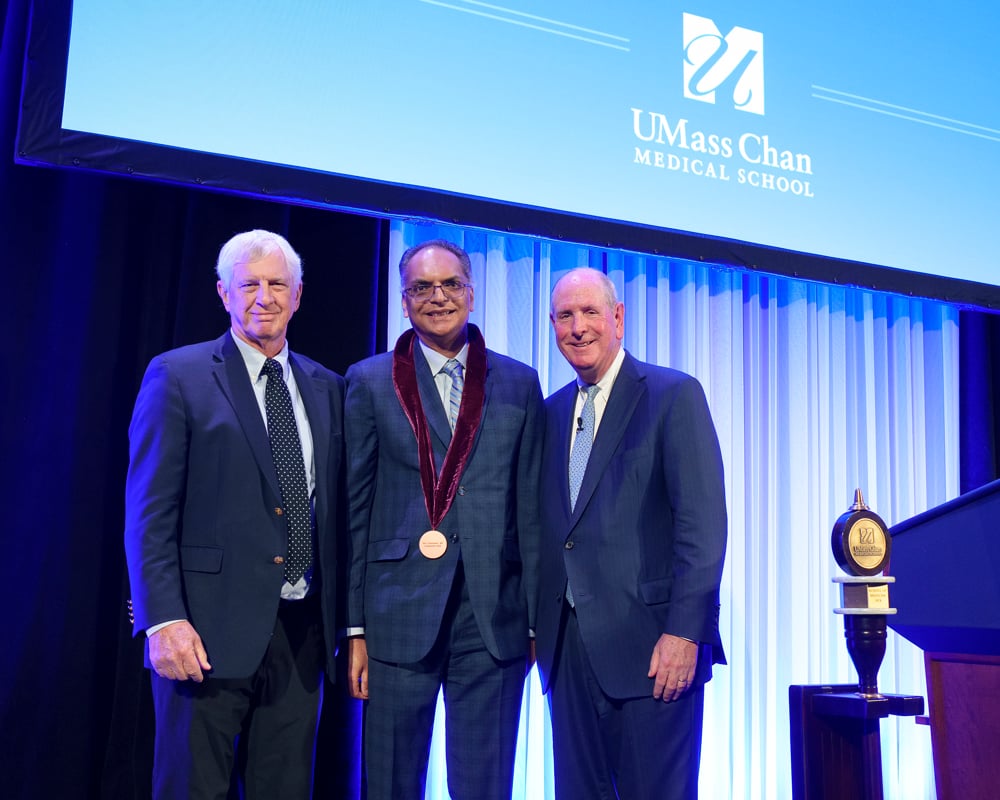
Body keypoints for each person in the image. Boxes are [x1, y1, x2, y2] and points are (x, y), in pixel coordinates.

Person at [124, 229, 345, 799]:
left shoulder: (329, 387)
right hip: (203, 632)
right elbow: (148, 511)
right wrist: (162, 618)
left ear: (298, 296)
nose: (263, 297)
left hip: (302, 634)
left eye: (278, 284)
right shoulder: (178, 375)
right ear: (224, 294)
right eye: (249, 284)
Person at [344, 239, 544, 800]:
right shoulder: (368, 381)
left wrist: (532, 623)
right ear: (403, 301)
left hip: (492, 617)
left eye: (451, 284)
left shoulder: (518, 382)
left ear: (473, 293)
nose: (438, 297)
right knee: (389, 783)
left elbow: (530, 510)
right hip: (394, 615)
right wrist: (353, 628)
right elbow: (355, 511)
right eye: (421, 288)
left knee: (484, 786)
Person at [534, 267, 728, 799]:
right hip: (568, 652)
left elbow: (703, 526)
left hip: (655, 650)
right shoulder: (550, 414)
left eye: (590, 312)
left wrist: (685, 632)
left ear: (618, 318)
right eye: (565, 317)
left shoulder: (672, 395)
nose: (578, 328)